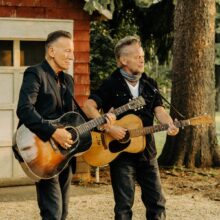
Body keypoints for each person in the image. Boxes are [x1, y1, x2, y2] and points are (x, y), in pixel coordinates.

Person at [16, 30, 115, 220]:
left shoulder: (67, 80)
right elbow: (24, 109)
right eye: (67, 51)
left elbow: (74, 119)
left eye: (73, 51)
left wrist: (100, 123)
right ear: (51, 51)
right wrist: (53, 131)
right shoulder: (35, 73)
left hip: (64, 155)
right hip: (42, 152)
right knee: (52, 212)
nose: (72, 56)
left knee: (63, 213)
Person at [83, 35, 179, 220]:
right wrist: (109, 129)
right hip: (120, 155)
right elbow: (89, 106)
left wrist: (169, 124)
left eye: (142, 56)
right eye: (137, 56)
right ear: (123, 60)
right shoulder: (111, 84)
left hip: (147, 153)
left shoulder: (150, 84)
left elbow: (159, 111)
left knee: (157, 204)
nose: (142, 59)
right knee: (123, 208)